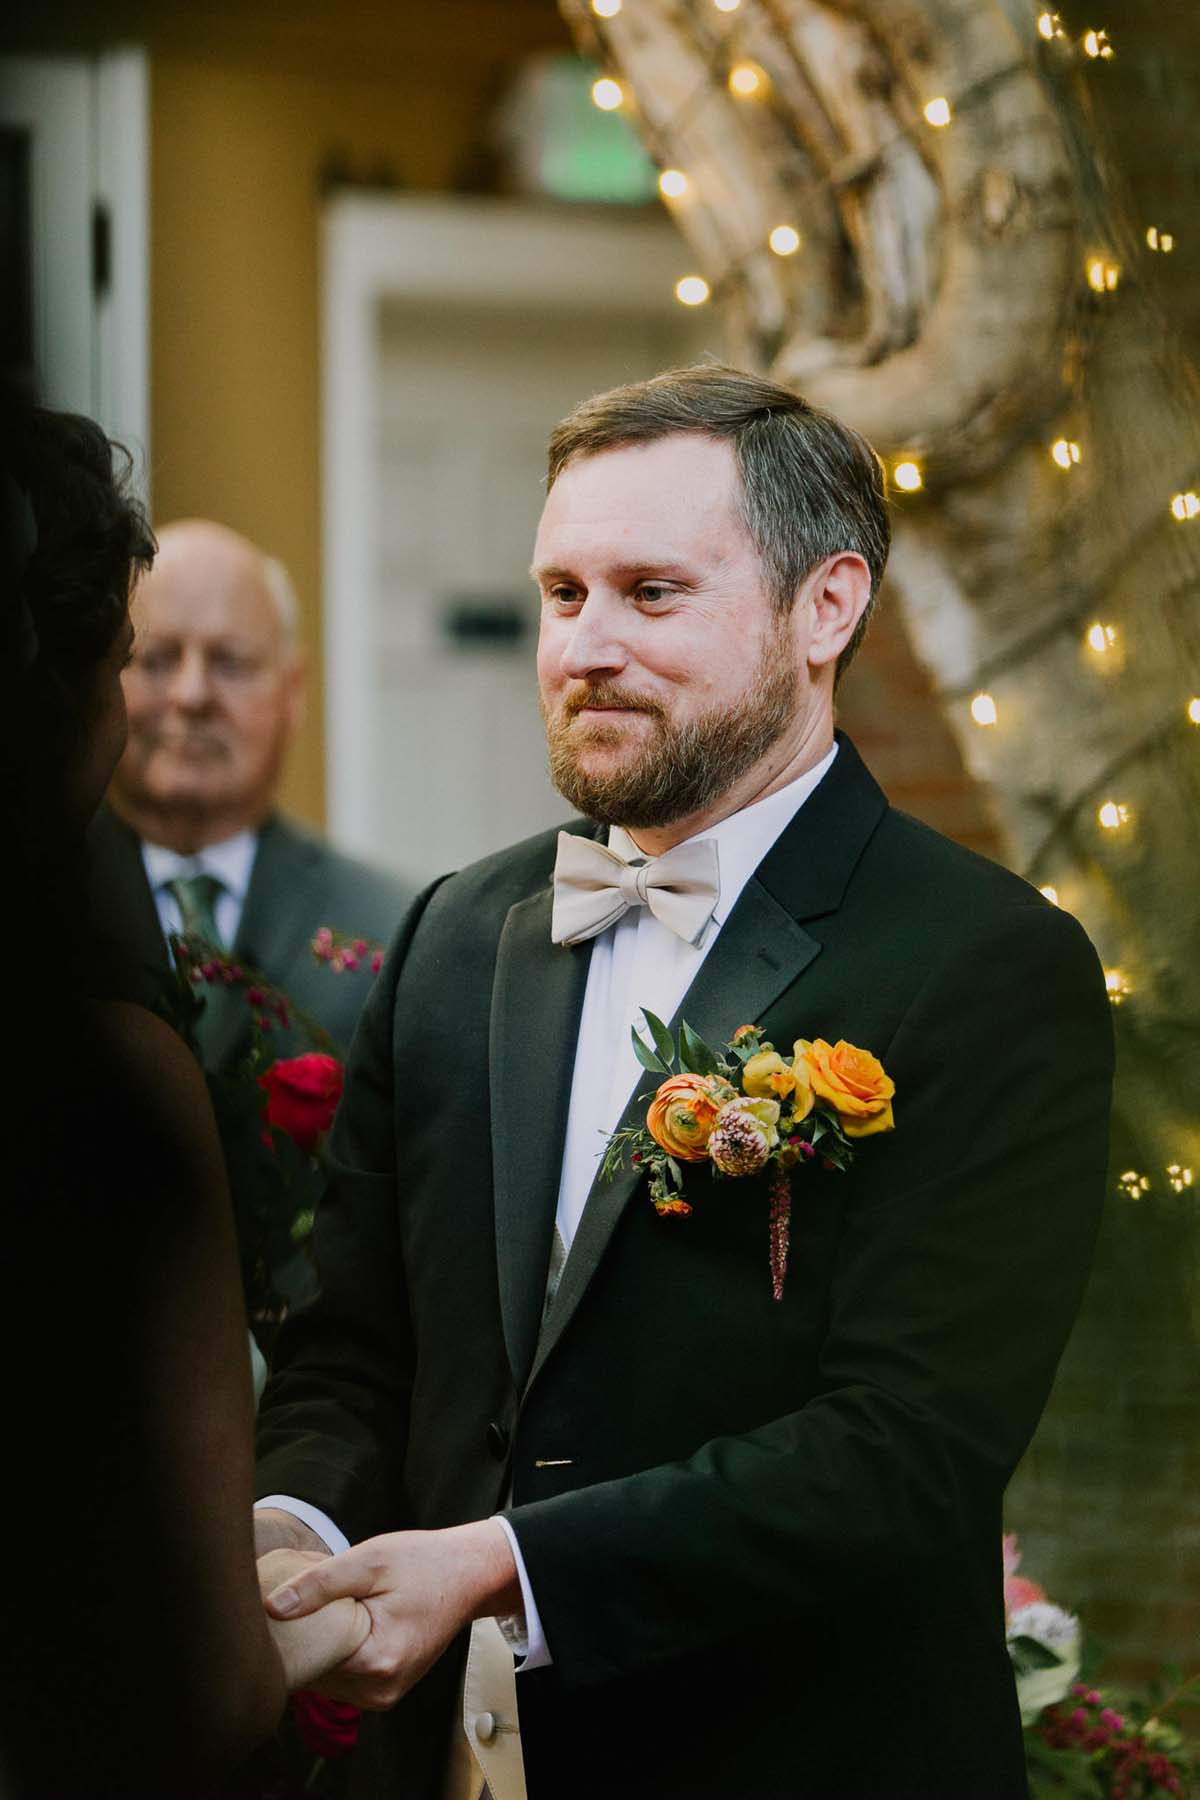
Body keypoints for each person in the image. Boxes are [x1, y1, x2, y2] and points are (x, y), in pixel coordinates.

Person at [252, 365, 1114, 1800]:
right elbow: (354, 1347)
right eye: (563, 592)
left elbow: (900, 1455)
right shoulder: (462, 931)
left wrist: (502, 1567)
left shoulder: (988, 966)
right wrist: (296, 1543)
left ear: (825, 607)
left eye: (652, 594)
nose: (586, 644)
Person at [0, 402, 368, 1798]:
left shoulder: (393, 938)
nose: (179, 698)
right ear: (87, 682)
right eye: (142, 659)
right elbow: (198, 1694)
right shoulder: (98, 1061)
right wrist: (326, 1604)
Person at [89, 518, 411, 1064]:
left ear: (293, 690)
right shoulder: (35, 902)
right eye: (156, 660)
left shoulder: (391, 927)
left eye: (229, 662)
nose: (191, 695)